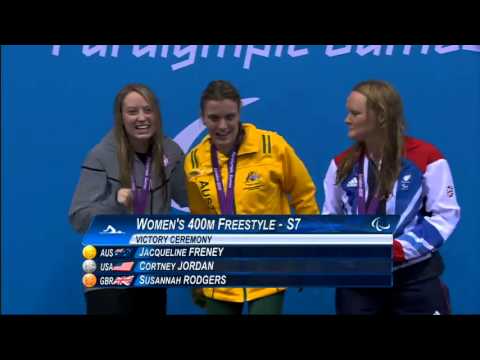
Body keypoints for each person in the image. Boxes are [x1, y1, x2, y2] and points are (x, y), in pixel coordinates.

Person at [322, 80, 460, 315]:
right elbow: (331, 219)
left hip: (415, 279)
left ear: (381, 116)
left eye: (355, 113)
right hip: (359, 283)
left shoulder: (427, 157)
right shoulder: (340, 164)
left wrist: (399, 249)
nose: (347, 119)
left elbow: (445, 216)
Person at [184, 80, 319, 315]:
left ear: (239, 114)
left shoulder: (272, 146)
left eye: (230, 117)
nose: (223, 126)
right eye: (214, 118)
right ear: (203, 118)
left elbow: (303, 195)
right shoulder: (194, 161)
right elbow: (199, 221)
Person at [69, 83, 188, 315]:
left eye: (148, 110)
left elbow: (187, 197)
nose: (141, 118)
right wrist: (115, 201)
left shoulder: (171, 152)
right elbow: (78, 217)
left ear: (157, 113)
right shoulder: (101, 155)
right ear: (121, 117)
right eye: (132, 112)